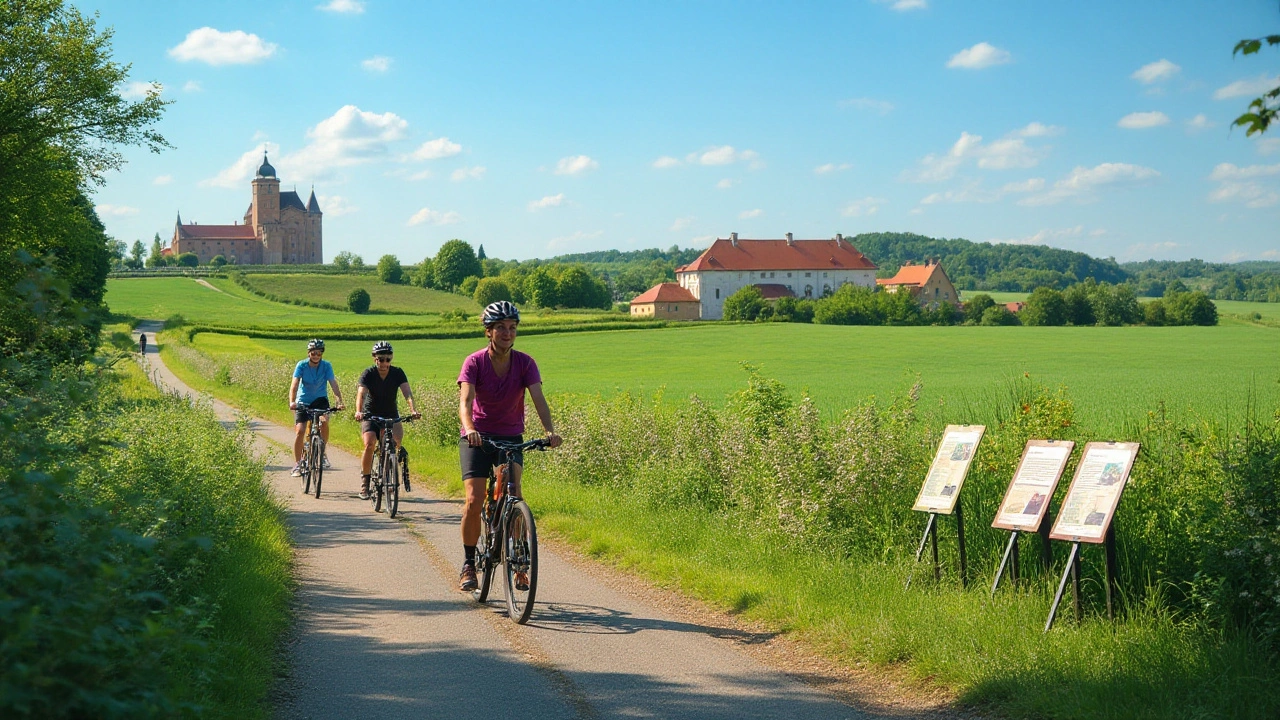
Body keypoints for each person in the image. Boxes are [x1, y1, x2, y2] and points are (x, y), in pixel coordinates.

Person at [457, 301, 561, 592]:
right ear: (488, 332)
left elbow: (539, 399)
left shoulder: (525, 363)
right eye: (500, 328)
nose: (507, 333)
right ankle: (468, 564)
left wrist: (550, 431)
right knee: (474, 499)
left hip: (511, 436)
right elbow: (465, 404)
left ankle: (520, 562)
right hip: (477, 437)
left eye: (512, 328)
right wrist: (471, 429)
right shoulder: (474, 362)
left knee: (515, 494)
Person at [354, 341, 420, 500]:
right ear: (374, 359)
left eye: (387, 359)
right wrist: (359, 411)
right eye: (380, 359)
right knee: (369, 444)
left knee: (396, 442)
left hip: (391, 413)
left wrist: (413, 410)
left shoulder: (397, 373)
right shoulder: (368, 373)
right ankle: (365, 483)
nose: (384, 363)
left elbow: (407, 393)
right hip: (371, 414)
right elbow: (361, 393)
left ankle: (388, 470)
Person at [289, 339, 345, 476]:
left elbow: (333, 384)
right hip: (303, 401)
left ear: (321, 354)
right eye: (313, 353)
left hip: (320, 401)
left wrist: (339, 401)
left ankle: (322, 451)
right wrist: (292, 401)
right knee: (300, 431)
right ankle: (298, 464)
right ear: (309, 353)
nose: (315, 356)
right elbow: (294, 384)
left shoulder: (326, 366)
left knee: (324, 422)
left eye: (318, 353)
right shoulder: (301, 365)